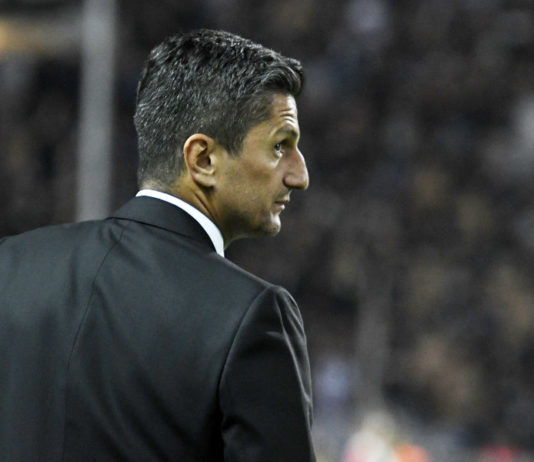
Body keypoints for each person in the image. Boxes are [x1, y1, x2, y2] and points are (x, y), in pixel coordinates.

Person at [0, 29, 315, 461]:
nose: (300, 175)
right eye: (281, 146)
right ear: (203, 159)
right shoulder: (250, 314)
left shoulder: (10, 266)